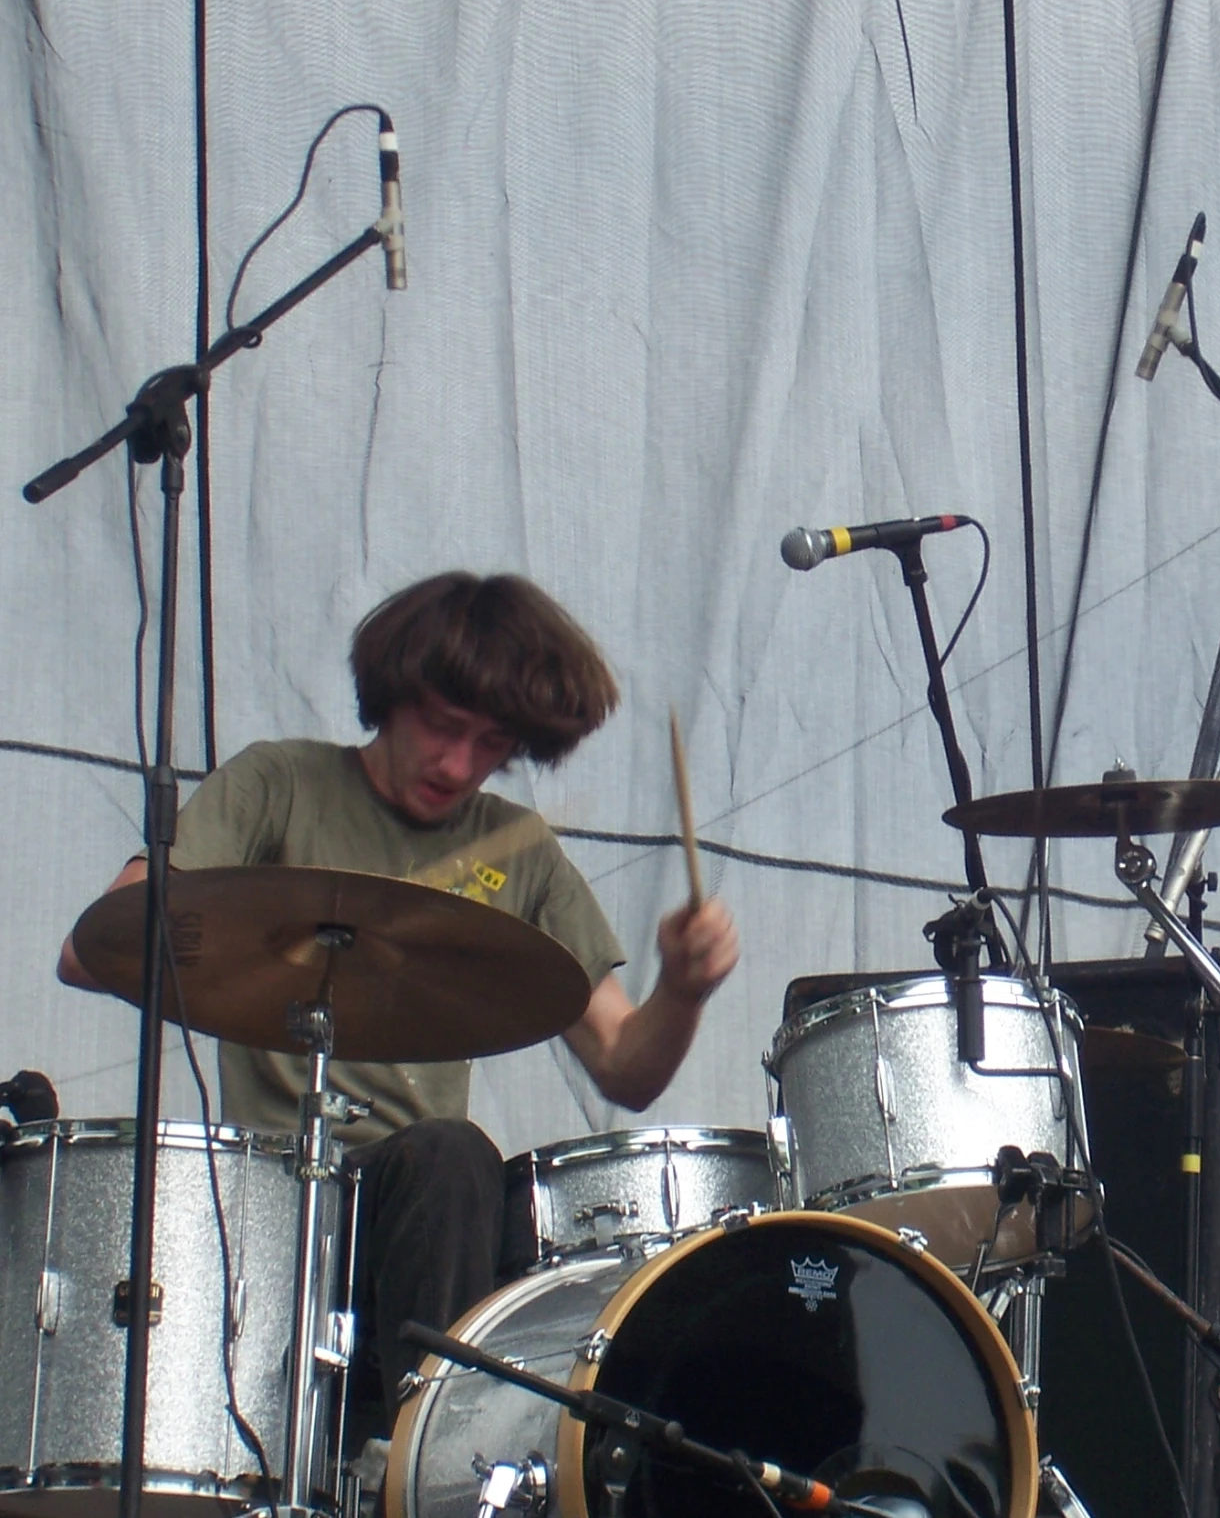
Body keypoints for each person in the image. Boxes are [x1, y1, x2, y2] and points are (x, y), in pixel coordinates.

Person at [58, 571, 740, 1421]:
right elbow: (97, 947)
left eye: (491, 741)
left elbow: (625, 1066)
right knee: (447, 1159)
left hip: (416, 1215)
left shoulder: (516, 849)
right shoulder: (280, 784)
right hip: (262, 1202)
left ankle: (422, 1456)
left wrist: (682, 988)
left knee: (455, 1158)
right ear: (390, 695)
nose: (459, 764)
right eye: (442, 727)